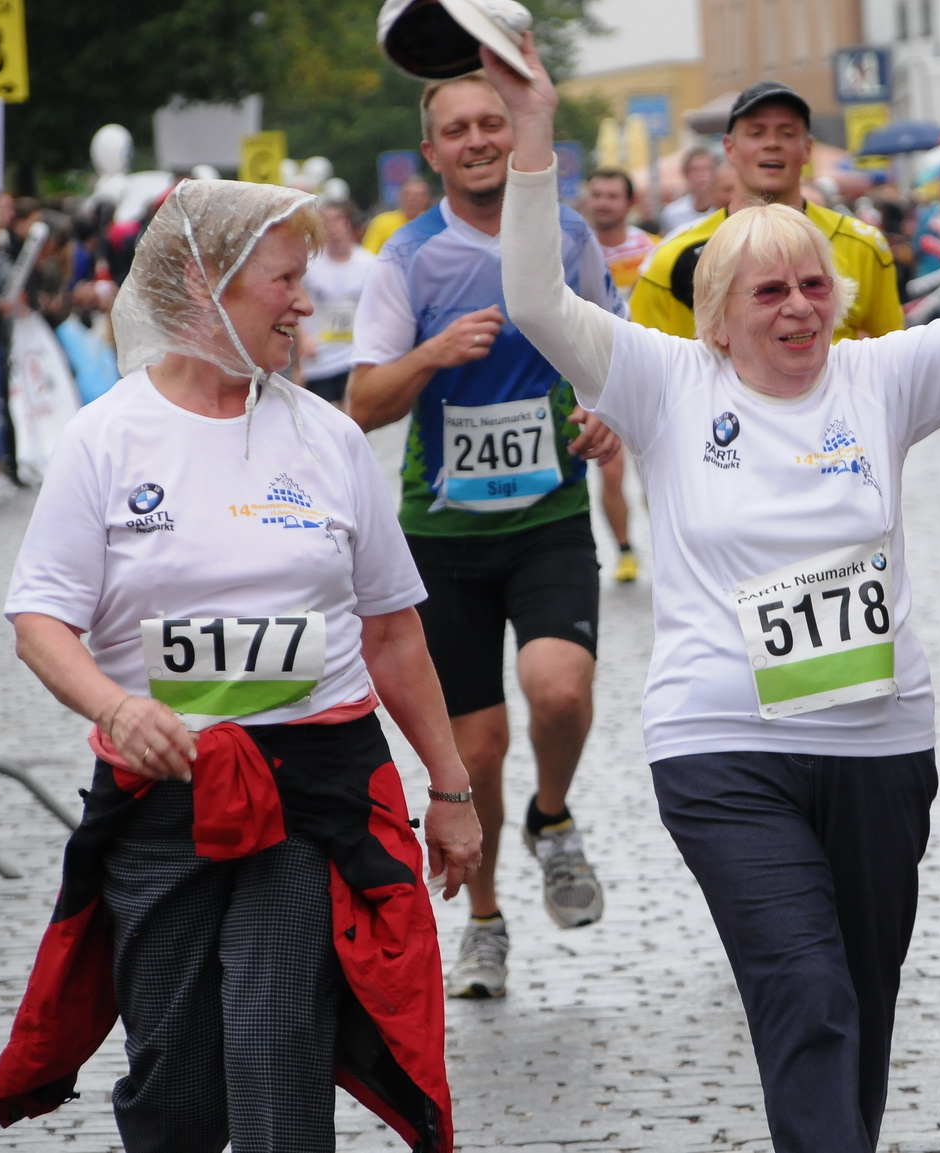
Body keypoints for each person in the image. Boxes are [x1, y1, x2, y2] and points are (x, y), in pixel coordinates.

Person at [489, 36, 940, 1152]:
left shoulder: (877, 377)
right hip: (721, 742)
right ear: (716, 312)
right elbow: (535, 301)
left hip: (878, 742)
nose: (799, 308)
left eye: (813, 286)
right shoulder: (663, 381)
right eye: (770, 291)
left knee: (861, 1002)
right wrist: (532, 135)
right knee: (805, 990)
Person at [0, 179, 480, 1153]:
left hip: (311, 792)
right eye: (285, 280)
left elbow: (391, 630)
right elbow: (40, 618)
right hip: (164, 789)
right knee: (175, 1082)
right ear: (203, 283)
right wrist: (117, 710)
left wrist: (452, 788)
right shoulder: (105, 437)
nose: (305, 304)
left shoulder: (328, 437)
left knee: (278, 1042)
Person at [347, 72, 622, 999]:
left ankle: (552, 817)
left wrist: (602, 414)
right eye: (455, 129)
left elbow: (612, 357)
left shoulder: (567, 237)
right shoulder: (407, 259)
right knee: (477, 752)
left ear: (517, 134)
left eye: (489, 123)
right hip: (444, 536)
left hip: (548, 518)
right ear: (430, 153)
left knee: (559, 687)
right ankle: (487, 922)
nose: (474, 139)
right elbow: (363, 403)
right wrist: (432, 352)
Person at [630, 80, 904, 342]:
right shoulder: (673, 258)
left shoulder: (865, 246)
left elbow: (893, 358)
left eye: (787, 133)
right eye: (756, 132)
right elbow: (648, 369)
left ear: (807, 148)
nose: (772, 143)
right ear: (729, 148)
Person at [583, 166, 657, 583]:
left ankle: (667, 541)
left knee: (658, 467)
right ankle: (626, 550)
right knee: (609, 468)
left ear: (629, 203)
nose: (603, 203)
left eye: (612, 195)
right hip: (598, 374)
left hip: (647, 371)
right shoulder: (576, 249)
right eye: (597, 194)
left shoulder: (652, 251)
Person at [299, 200, 376, 405]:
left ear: (348, 223)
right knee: (325, 423)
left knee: (353, 421)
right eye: (325, 221)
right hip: (320, 358)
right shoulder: (308, 263)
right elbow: (293, 303)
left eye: (337, 219)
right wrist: (303, 339)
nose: (332, 226)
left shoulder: (369, 263)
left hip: (355, 355)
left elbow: (377, 311)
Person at [363, 173, 433, 255]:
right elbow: (368, 256)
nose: (412, 200)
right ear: (399, 196)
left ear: (427, 199)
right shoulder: (381, 222)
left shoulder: (436, 225)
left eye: (418, 196)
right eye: (408, 194)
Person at [658, 145, 718, 234]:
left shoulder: (724, 209)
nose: (701, 175)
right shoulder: (671, 213)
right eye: (694, 170)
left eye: (706, 169)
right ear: (685, 174)